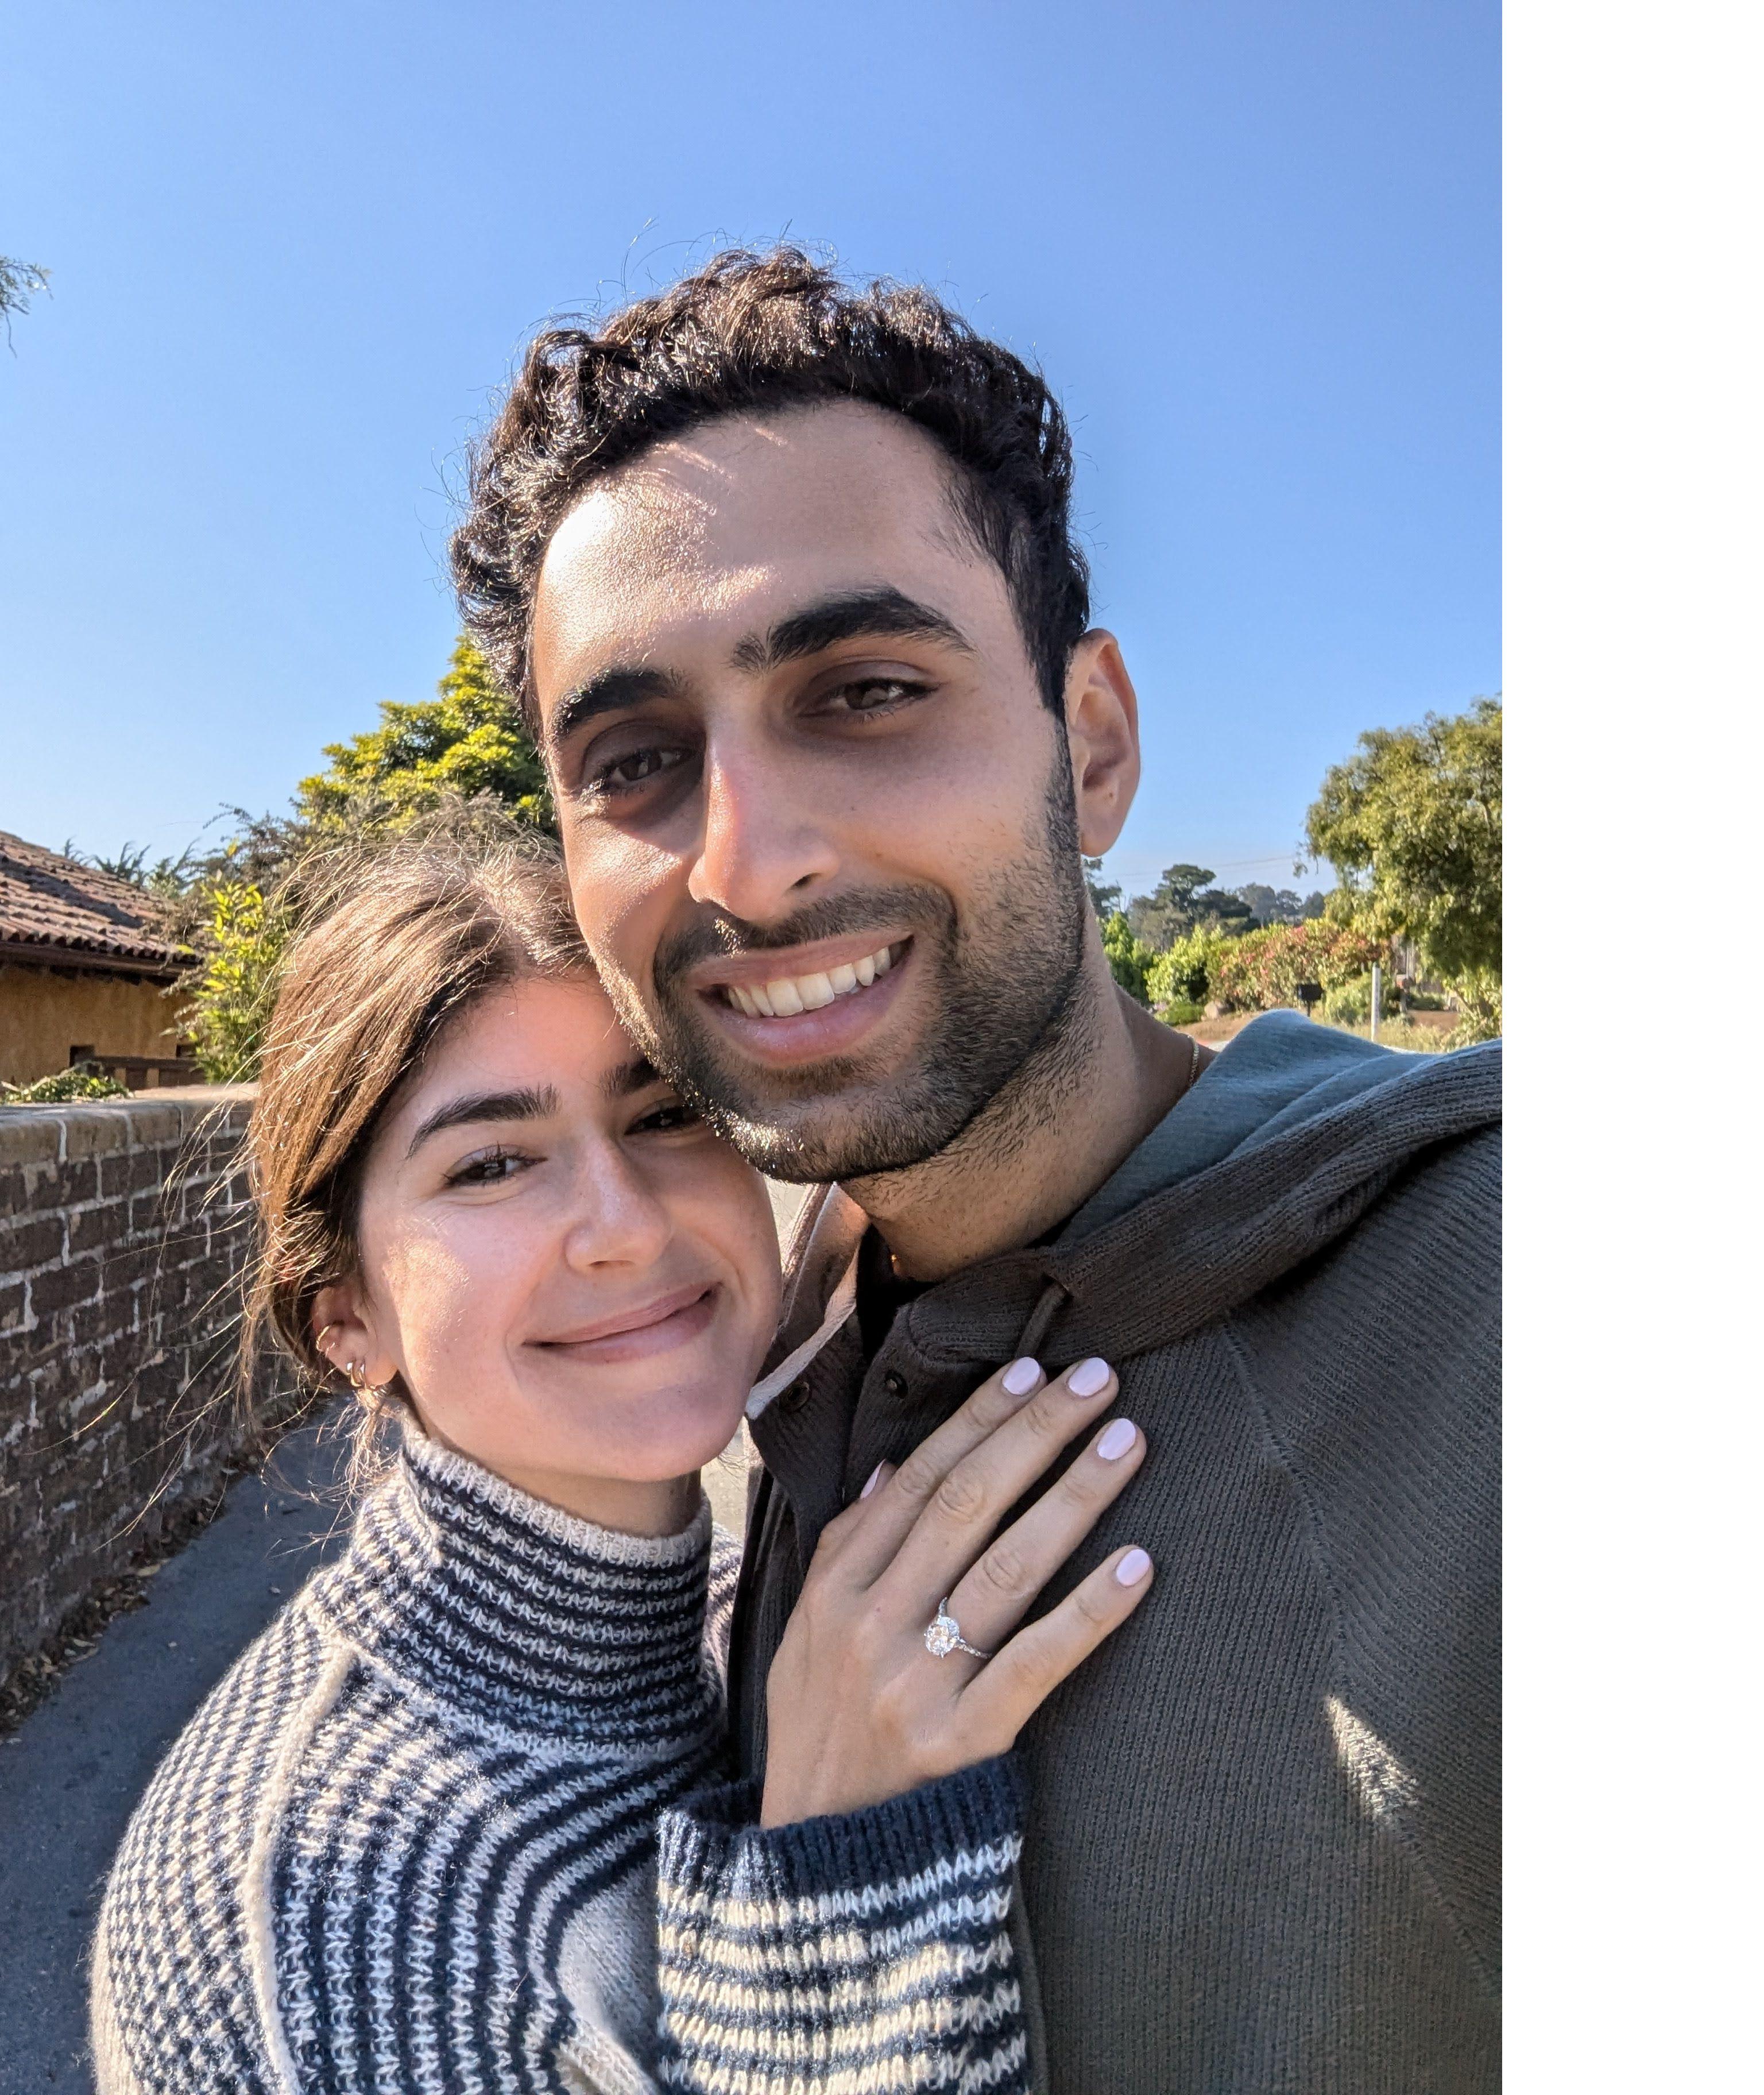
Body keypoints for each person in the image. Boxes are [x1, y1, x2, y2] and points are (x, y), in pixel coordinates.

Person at [450, 249, 1502, 2091]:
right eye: (633, 759)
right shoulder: (784, 1339)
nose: (744, 862)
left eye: (864, 691)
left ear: (1091, 749)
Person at [90, 831, 1162, 2095]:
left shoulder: (746, 1618)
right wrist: (834, 1884)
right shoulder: (326, 1930)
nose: (627, 1226)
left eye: (662, 1115)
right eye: (493, 1164)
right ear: (347, 1321)